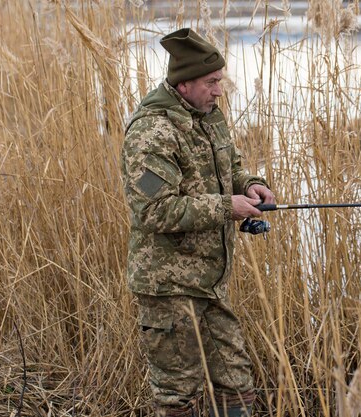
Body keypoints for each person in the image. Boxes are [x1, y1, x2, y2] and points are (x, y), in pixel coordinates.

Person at [121, 28, 275, 417]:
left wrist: (252, 186)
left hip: (209, 284)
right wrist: (228, 207)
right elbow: (154, 210)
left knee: (236, 384)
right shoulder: (152, 131)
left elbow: (231, 168)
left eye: (220, 80)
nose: (219, 90)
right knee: (177, 396)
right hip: (168, 288)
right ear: (184, 84)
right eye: (211, 82)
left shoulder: (208, 116)